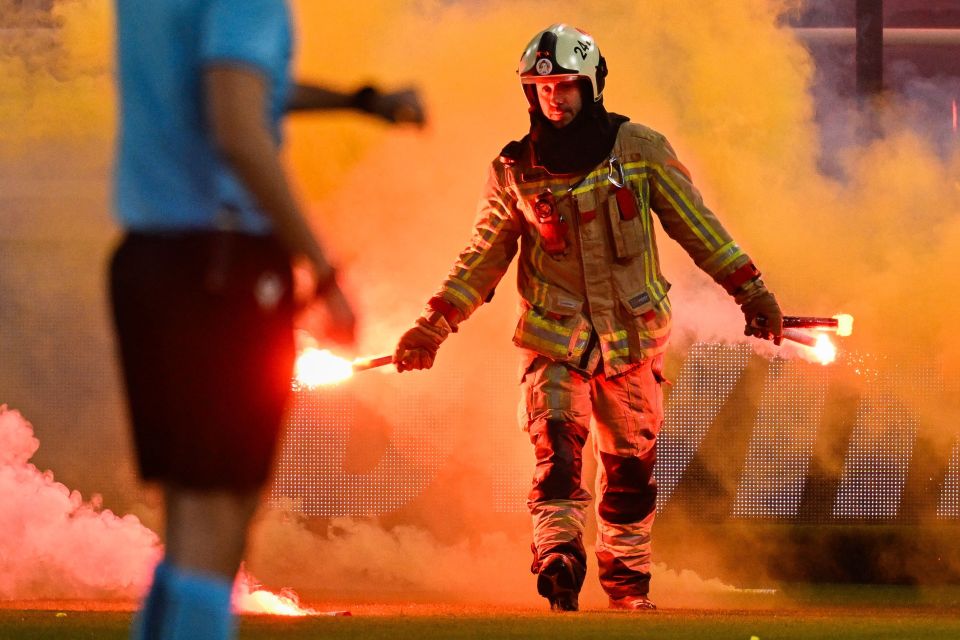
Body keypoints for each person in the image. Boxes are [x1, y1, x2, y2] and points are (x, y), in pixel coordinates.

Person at [394, 24, 783, 612]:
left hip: (633, 344)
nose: (554, 96)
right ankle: (559, 560)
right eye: (542, 86)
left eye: (567, 84)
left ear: (592, 84)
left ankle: (627, 587)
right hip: (553, 341)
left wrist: (751, 292)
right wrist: (433, 324)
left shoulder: (641, 149)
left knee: (630, 476)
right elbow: (480, 258)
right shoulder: (513, 171)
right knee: (557, 450)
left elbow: (699, 227)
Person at [108, 0, 425, 637]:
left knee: (190, 517)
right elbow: (236, 122)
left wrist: (358, 102)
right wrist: (323, 268)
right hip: (220, 267)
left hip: (151, 259)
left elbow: (236, 85)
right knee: (218, 517)